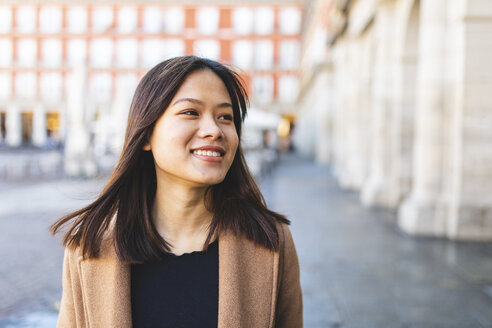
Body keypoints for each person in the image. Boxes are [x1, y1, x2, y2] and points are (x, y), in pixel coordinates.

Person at [51, 56, 302, 328]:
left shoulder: (272, 243)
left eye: (225, 117)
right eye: (191, 112)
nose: (214, 130)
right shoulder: (88, 247)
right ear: (146, 134)